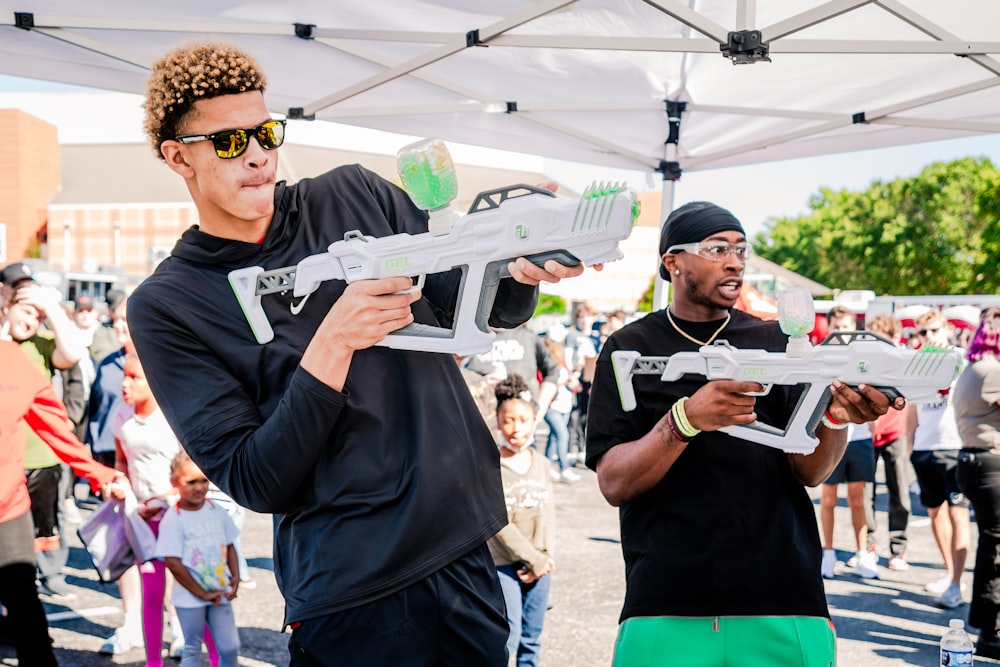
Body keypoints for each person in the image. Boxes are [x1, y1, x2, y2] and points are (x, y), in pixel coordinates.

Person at [127, 42, 586, 666]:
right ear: (178, 156)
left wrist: (517, 267)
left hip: (463, 546)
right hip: (352, 589)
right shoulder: (170, 302)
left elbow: (462, 302)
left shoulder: (353, 194)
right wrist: (333, 343)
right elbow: (253, 477)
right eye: (230, 142)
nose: (258, 154)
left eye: (264, 131)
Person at [585, 201, 901, 666]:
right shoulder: (628, 347)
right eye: (716, 249)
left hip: (782, 593)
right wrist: (685, 420)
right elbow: (614, 482)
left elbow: (810, 470)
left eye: (740, 249)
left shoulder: (778, 342)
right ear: (672, 262)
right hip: (667, 600)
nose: (734, 261)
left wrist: (834, 418)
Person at [0, 339, 119, 667]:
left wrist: (96, 472)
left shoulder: (11, 358)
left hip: (9, 507)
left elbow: (54, 425)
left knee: (23, 599)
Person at [109, 353, 210, 665]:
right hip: (136, 514)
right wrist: (118, 485)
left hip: (175, 511)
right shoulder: (120, 415)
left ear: (153, 382)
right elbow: (121, 462)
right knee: (141, 575)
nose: (125, 384)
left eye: (134, 378)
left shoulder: (174, 417)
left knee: (182, 575)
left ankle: (182, 630)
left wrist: (165, 500)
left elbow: (195, 473)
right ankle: (138, 633)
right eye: (124, 376)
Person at [2, 262, 91, 601]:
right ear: (6, 305)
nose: (31, 320)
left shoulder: (43, 343)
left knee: (47, 519)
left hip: (42, 453)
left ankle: (51, 573)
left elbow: (74, 353)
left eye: (36, 316)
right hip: (7, 459)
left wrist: (49, 308)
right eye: (25, 311)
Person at [87, 297, 146, 655]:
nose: (121, 326)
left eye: (128, 319)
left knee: (165, 557)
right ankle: (132, 622)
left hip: (159, 467)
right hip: (115, 461)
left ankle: (175, 623)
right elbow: (97, 409)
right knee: (126, 552)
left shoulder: (163, 356)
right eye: (117, 320)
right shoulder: (107, 363)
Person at [488, 375, 556, 667]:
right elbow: (498, 522)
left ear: (534, 420)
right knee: (509, 637)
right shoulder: (491, 465)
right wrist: (532, 559)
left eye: (524, 420)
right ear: (497, 420)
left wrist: (544, 557)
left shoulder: (542, 464)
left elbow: (547, 516)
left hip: (540, 567)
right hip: (503, 566)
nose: (516, 428)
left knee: (532, 640)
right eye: (509, 420)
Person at [906, 309, 970, 609]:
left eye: (932, 331)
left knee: (959, 514)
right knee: (935, 513)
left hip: (956, 447)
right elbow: (911, 409)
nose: (928, 337)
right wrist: (910, 446)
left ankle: (957, 582)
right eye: (922, 332)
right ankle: (949, 572)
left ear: (946, 330)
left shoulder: (962, 359)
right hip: (925, 448)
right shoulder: (918, 362)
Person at [156, 451, 241, 667]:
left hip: (220, 591)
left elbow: (230, 544)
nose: (199, 487)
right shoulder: (173, 519)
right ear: (175, 482)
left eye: (204, 480)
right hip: (189, 597)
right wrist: (202, 593)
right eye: (191, 481)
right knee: (193, 647)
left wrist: (236, 576)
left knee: (230, 647)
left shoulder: (217, 510)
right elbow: (173, 563)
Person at [818, 305, 880, 579]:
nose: (842, 331)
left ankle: (862, 553)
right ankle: (828, 553)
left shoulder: (867, 357)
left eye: (846, 326)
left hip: (860, 439)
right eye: (837, 326)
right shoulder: (821, 356)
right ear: (830, 328)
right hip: (831, 435)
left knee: (858, 499)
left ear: (854, 327)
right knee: (828, 499)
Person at [954, 307, 1000, 659]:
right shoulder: (992, 371)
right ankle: (990, 632)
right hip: (989, 464)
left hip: (974, 462)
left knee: (991, 545)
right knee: (996, 550)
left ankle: (986, 626)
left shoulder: (974, 367)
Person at [865, 313, 912, 573]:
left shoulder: (903, 361)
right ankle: (869, 545)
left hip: (895, 433)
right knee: (866, 495)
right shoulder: (866, 362)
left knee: (900, 495)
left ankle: (898, 548)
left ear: (895, 339)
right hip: (868, 435)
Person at [540, 324, 580, 483]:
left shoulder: (561, 361)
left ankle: (547, 467)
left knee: (555, 437)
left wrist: (572, 379)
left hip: (564, 404)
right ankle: (564, 469)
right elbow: (547, 381)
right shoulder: (547, 360)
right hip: (552, 405)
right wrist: (564, 381)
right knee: (562, 435)